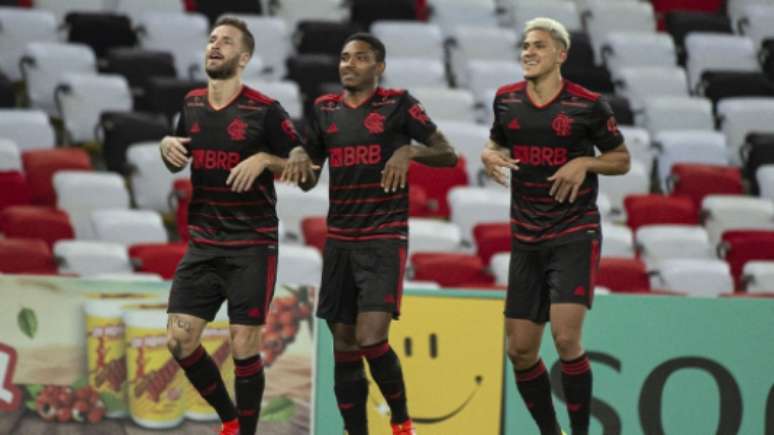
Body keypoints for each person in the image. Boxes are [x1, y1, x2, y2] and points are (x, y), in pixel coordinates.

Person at [281, 33, 457, 435]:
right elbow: (308, 177)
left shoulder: (400, 104)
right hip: (340, 239)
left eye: (360, 58)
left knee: (371, 338)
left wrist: (409, 151)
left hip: (383, 235)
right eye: (344, 57)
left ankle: (401, 422)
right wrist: (295, 156)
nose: (348, 64)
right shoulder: (324, 110)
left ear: (378, 67)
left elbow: (447, 153)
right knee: (343, 343)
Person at [481, 17, 630, 435]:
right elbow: (497, 142)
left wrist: (585, 161)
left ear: (561, 55)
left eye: (539, 46)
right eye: (525, 46)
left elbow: (622, 159)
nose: (528, 52)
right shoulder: (505, 100)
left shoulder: (588, 104)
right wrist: (488, 154)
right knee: (520, 351)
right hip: (525, 238)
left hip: (573, 232)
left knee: (566, 340)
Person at [159, 17, 303, 435]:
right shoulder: (190, 105)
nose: (214, 46)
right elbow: (178, 150)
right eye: (211, 39)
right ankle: (230, 421)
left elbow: (307, 169)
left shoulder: (266, 112)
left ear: (244, 57)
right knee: (178, 341)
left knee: (243, 345)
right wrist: (166, 145)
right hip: (203, 243)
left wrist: (266, 160)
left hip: (251, 245)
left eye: (226, 41)